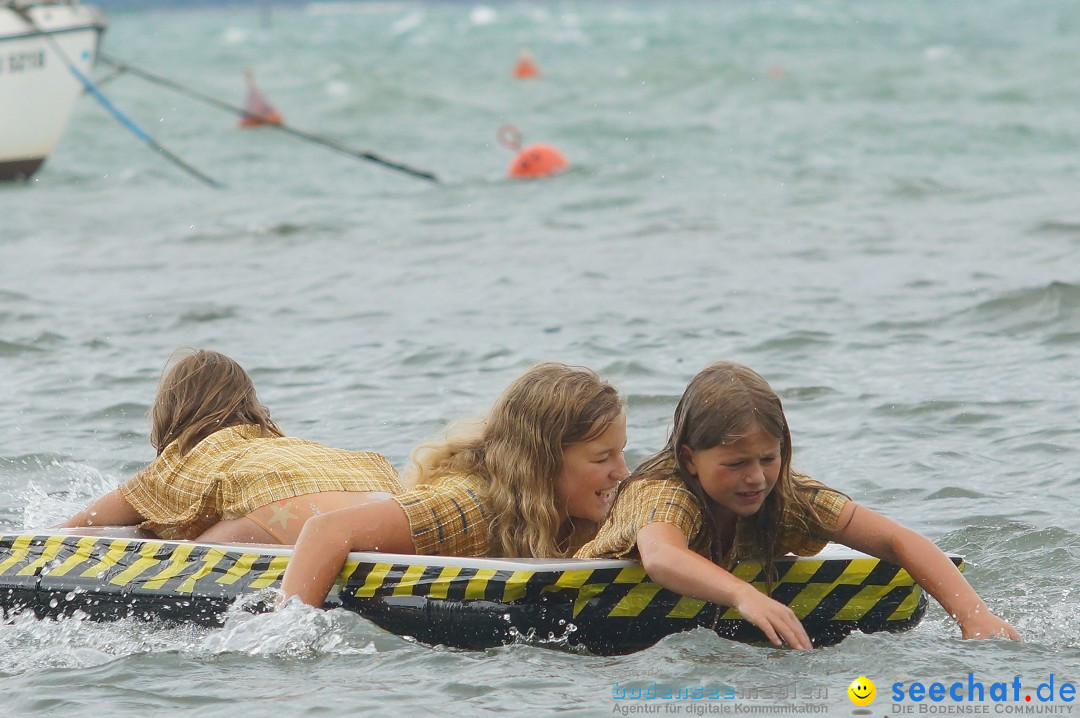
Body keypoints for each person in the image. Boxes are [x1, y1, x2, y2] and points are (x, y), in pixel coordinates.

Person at [575, 361, 1020, 649]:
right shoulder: (664, 490)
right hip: (583, 607)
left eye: (769, 458)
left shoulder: (783, 494)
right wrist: (745, 595)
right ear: (690, 458)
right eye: (734, 463)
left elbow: (895, 538)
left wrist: (974, 616)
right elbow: (661, 556)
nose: (756, 477)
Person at [279, 362, 628, 606]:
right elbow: (326, 530)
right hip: (290, 516)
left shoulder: (586, 505)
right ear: (542, 461)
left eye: (621, 453)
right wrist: (288, 633)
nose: (622, 472)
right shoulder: (467, 508)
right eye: (602, 458)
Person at [59, 350, 402, 544]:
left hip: (293, 517)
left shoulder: (186, 457)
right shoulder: (281, 444)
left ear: (172, 409)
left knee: (183, 551)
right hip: (385, 504)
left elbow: (74, 529)